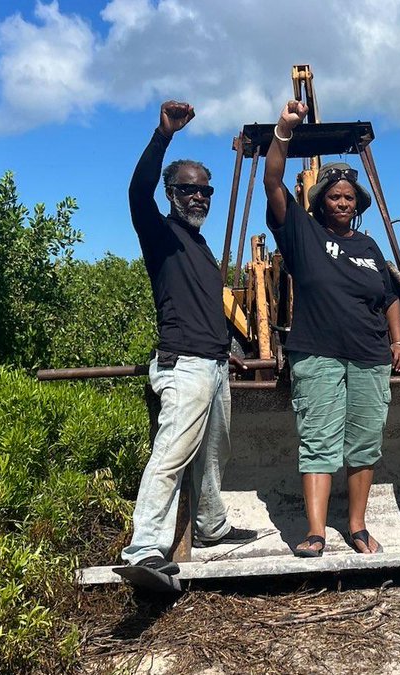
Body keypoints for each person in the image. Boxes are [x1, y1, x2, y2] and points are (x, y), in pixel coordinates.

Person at [263, 100, 400, 557]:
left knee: (365, 443)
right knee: (320, 441)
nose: (342, 202)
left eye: (349, 197)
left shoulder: (369, 246)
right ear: (320, 201)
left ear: (357, 203)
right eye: (334, 196)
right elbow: (272, 180)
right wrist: (284, 131)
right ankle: (315, 531)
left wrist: (399, 339)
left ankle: (358, 526)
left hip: (369, 356)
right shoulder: (303, 234)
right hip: (318, 354)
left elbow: (387, 297)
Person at [121, 100, 258, 575]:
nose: (200, 197)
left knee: (214, 453)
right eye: (189, 190)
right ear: (172, 194)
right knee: (172, 453)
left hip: (215, 363)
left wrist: (229, 351)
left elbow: (205, 309)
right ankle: (144, 548)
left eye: (206, 191)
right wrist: (163, 135)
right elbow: (137, 193)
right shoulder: (160, 233)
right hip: (184, 363)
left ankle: (211, 524)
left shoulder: (199, 247)